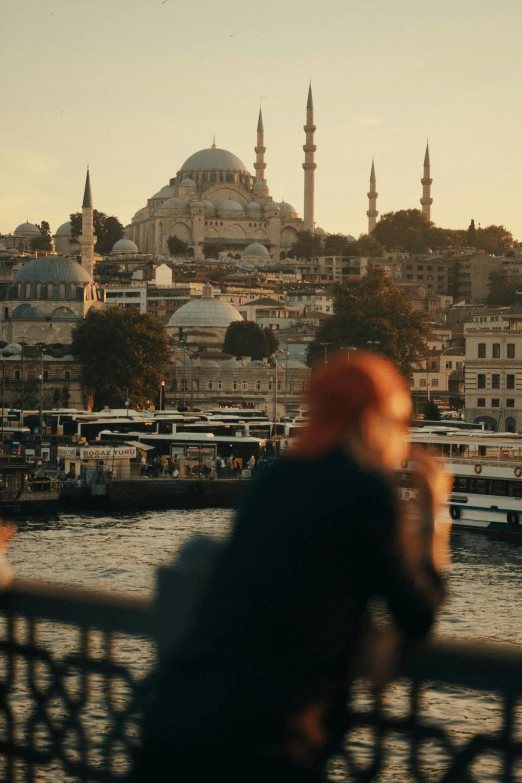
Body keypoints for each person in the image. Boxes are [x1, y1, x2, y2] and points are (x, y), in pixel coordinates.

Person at [131, 352, 449, 783]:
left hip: (176, 718)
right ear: (371, 421)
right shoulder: (364, 490)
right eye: (399, 422)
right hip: (262, 744)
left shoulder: (274, 478)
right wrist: (433, 514)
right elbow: (417, 613)